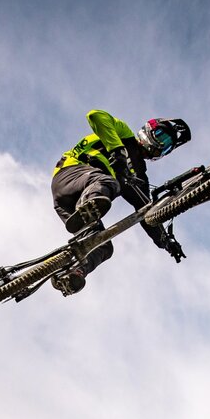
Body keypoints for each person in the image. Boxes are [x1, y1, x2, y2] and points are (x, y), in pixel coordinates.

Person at [50, 109, 191, 295]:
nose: (160, 145)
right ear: (148, 130)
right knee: (110, 182)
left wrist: (165, 242)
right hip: (70, 175)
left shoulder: (139, 176)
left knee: (103, 246)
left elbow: (147, 213)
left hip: (67, 205)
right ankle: (89, 202)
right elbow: (94, 115)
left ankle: (71, 274)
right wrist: (117, 151)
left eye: (166, 146)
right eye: (161, 137)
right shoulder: (124, 135)